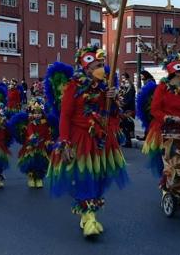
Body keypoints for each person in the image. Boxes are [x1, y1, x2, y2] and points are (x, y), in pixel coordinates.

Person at [46, 46, 128, 238]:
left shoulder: (103, 87)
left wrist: (113, 99)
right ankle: (90, 218)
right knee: (86, 177)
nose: (102, 68)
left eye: (103, 64)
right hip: (80, 138)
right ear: (88, 67)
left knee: (99, 176)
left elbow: (113, 114)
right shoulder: (73, 87)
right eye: (99, 65)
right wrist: (64, 141)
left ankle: (88, 212)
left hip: (101, 138)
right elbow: (65, 116)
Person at [143, 56, 180, 177]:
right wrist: (167, 117)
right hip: (165, 129)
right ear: (176, 73)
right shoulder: (162, 88)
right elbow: (155, 110)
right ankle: (167, 185)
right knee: (168, 162)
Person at [13, 97, 53, 188]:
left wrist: (48, 141)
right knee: (31, 163)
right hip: (31, 146)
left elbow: (47, 133)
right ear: (32, 114)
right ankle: (31, 179)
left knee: (40, 163)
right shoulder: (31, 123)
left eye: (39, 113)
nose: (37, 115)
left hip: (41, 146)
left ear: (42, 114)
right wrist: (32, 138)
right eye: (35, 113)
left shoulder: (45, 123)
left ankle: (39, 179)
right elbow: (29, 131)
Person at [118, 72, 136, 148]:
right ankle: (126, 140)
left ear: (127, 78)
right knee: (124, 125)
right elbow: (120, 95)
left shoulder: (131, 87)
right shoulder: (123, 87)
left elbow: (130, 99)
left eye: (124, 78)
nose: (123, 80)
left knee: (127, 124)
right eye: (122, 78)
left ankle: (128, 141)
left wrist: (123, 104)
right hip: (124, 107)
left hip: (129, 108)